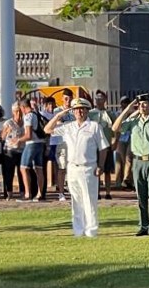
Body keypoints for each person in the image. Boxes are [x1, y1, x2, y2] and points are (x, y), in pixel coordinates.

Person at [46, 98, 109, 237]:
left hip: (88, 168)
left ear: (87, 111)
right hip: (72, 167)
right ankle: (78, 230)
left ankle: (91, 230)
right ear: (73, 112)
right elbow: (47, 129)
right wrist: (59, 115)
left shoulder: (94, 126)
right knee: (76, 201)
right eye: (76, 109)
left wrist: (101, 165)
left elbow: (103, 148)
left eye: (82, 109)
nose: (79, 112)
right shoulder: (69, 126)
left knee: (89, 200)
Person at [112, 94, 149, 236]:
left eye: (145, 104)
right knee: (141, 196)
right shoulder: (133, 121)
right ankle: (144, 225)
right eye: (140, 104)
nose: (143, 107)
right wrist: (127, 110)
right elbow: (115, 127)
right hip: (138, 162)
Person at [19, 97, 48, 202]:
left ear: (22, 107)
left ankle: (28, 194)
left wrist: (18, 140)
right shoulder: (36, 114)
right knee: (39, 168)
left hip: (32, 144)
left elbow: (28, 135)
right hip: (41, 143)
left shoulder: (28, 116)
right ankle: (40, 194)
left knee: (24, 168)